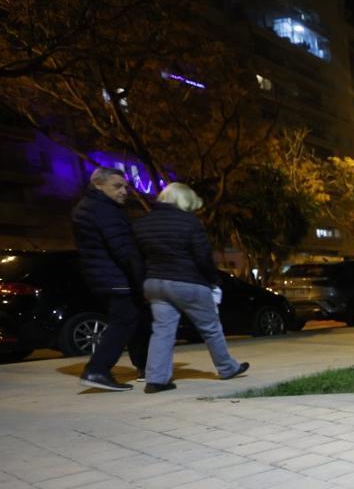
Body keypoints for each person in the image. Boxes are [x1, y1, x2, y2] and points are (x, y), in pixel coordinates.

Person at [133, 183, 248, 393]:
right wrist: (213, 280)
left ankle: (156, 379)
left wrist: (143, 282)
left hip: (155, 283)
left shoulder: (142, 223)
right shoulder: (188, 222)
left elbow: (137, 258)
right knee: (210, 328)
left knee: (162, 331)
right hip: (187, 281)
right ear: (185, 202)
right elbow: (203, 256)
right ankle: (227, 367)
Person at [71, 167, 149, 390]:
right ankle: (97, 370)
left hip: (106, 276)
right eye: (117, 186)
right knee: (125, 321)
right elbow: (124, 250)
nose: (125, 191)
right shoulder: (103, 210)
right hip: (116, 277)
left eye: (125, 186)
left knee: (134, 320)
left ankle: (144, 366)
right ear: (98, 185)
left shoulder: (90, 207)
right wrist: (142, 280)